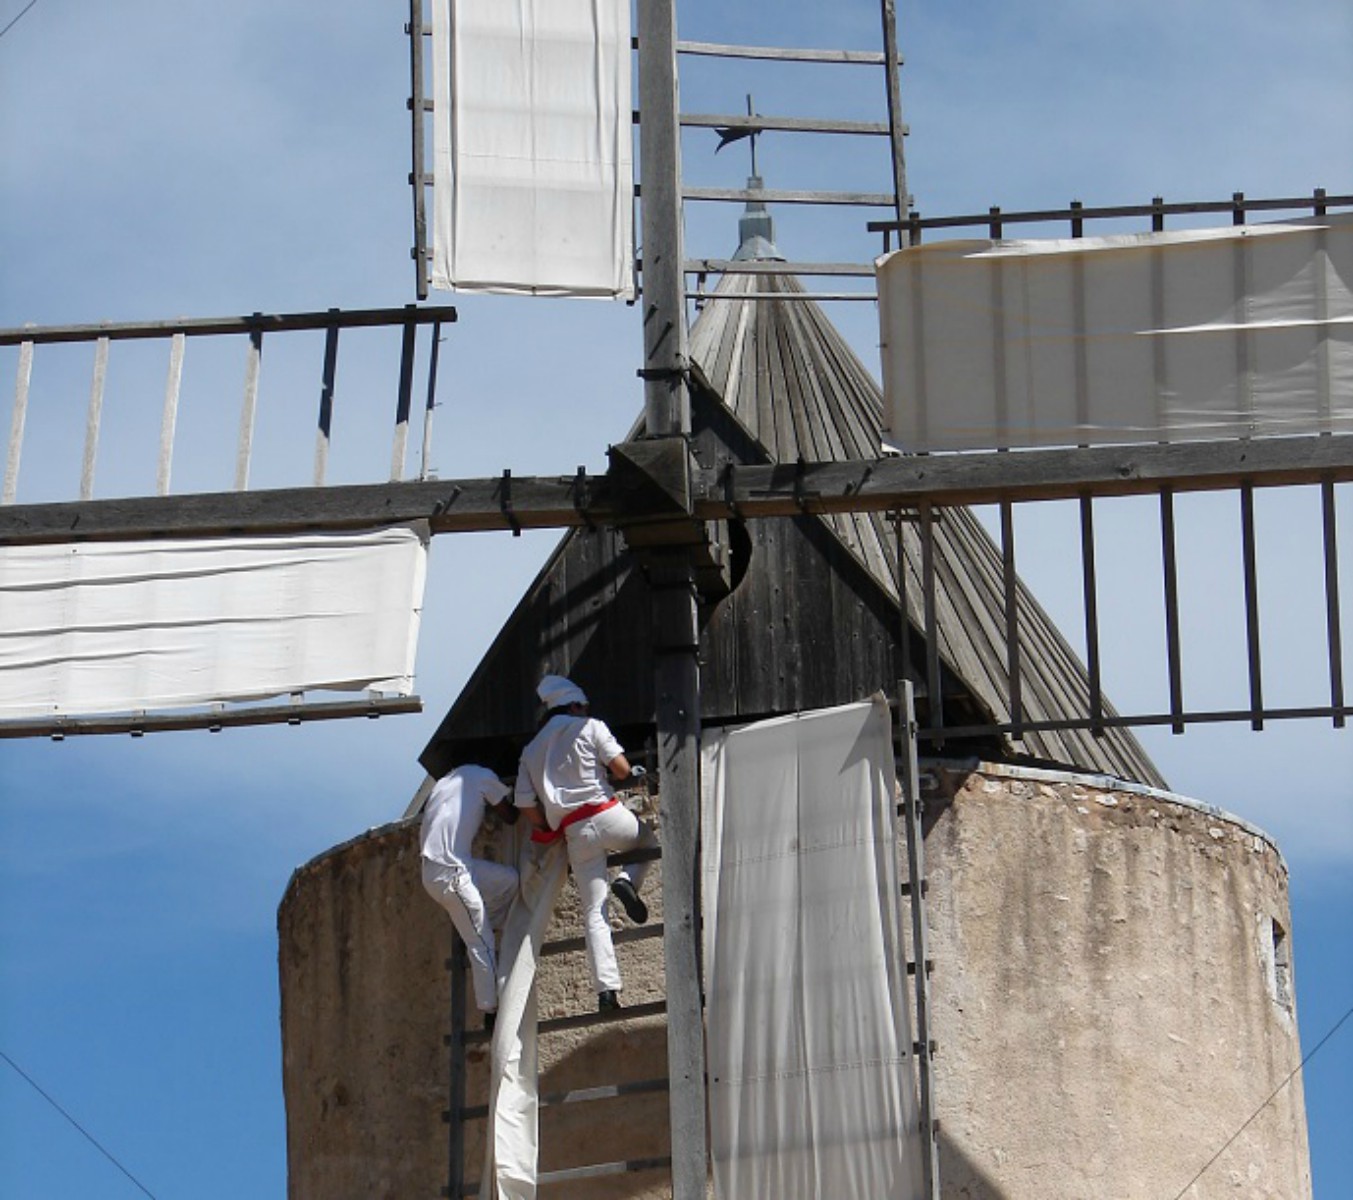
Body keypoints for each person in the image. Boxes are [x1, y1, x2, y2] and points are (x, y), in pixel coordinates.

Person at [514, 674, 658, 1011]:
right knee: (646, 840)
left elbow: (523, 804)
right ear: (575, 705)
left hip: (574, 832)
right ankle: (627, 880)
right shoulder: (591, 726)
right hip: (606, 813)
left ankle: (606, 992)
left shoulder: (531, 750)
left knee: (595, 911)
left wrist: (548, 827)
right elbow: (621, 770)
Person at [420, 763, 520, 1032]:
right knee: (482, 942)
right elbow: (510, 815)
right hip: (451, 873)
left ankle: (487, 924)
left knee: (510, 882)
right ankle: (490, 1010)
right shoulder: (484, 776)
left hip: (449, 867)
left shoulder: (441, 785)